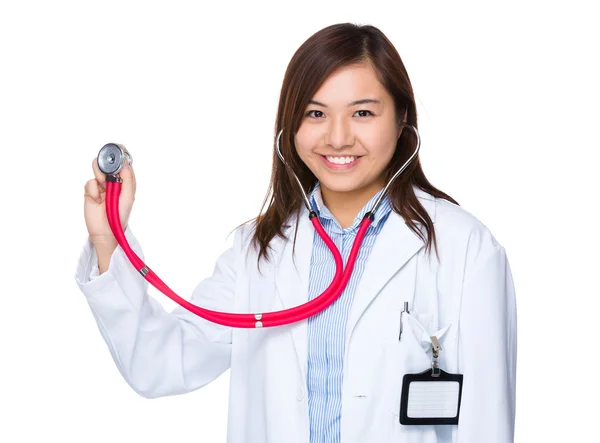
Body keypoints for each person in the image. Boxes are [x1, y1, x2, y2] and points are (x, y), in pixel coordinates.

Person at [75, 22, 517, 443]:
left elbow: (485, 423)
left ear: (401, 118)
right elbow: (159, 364)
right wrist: (106, 241)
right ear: (291, 125)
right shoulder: (257, 253)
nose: (338, 137)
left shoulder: (464, 249)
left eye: (363, 112)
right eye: (315, 113)